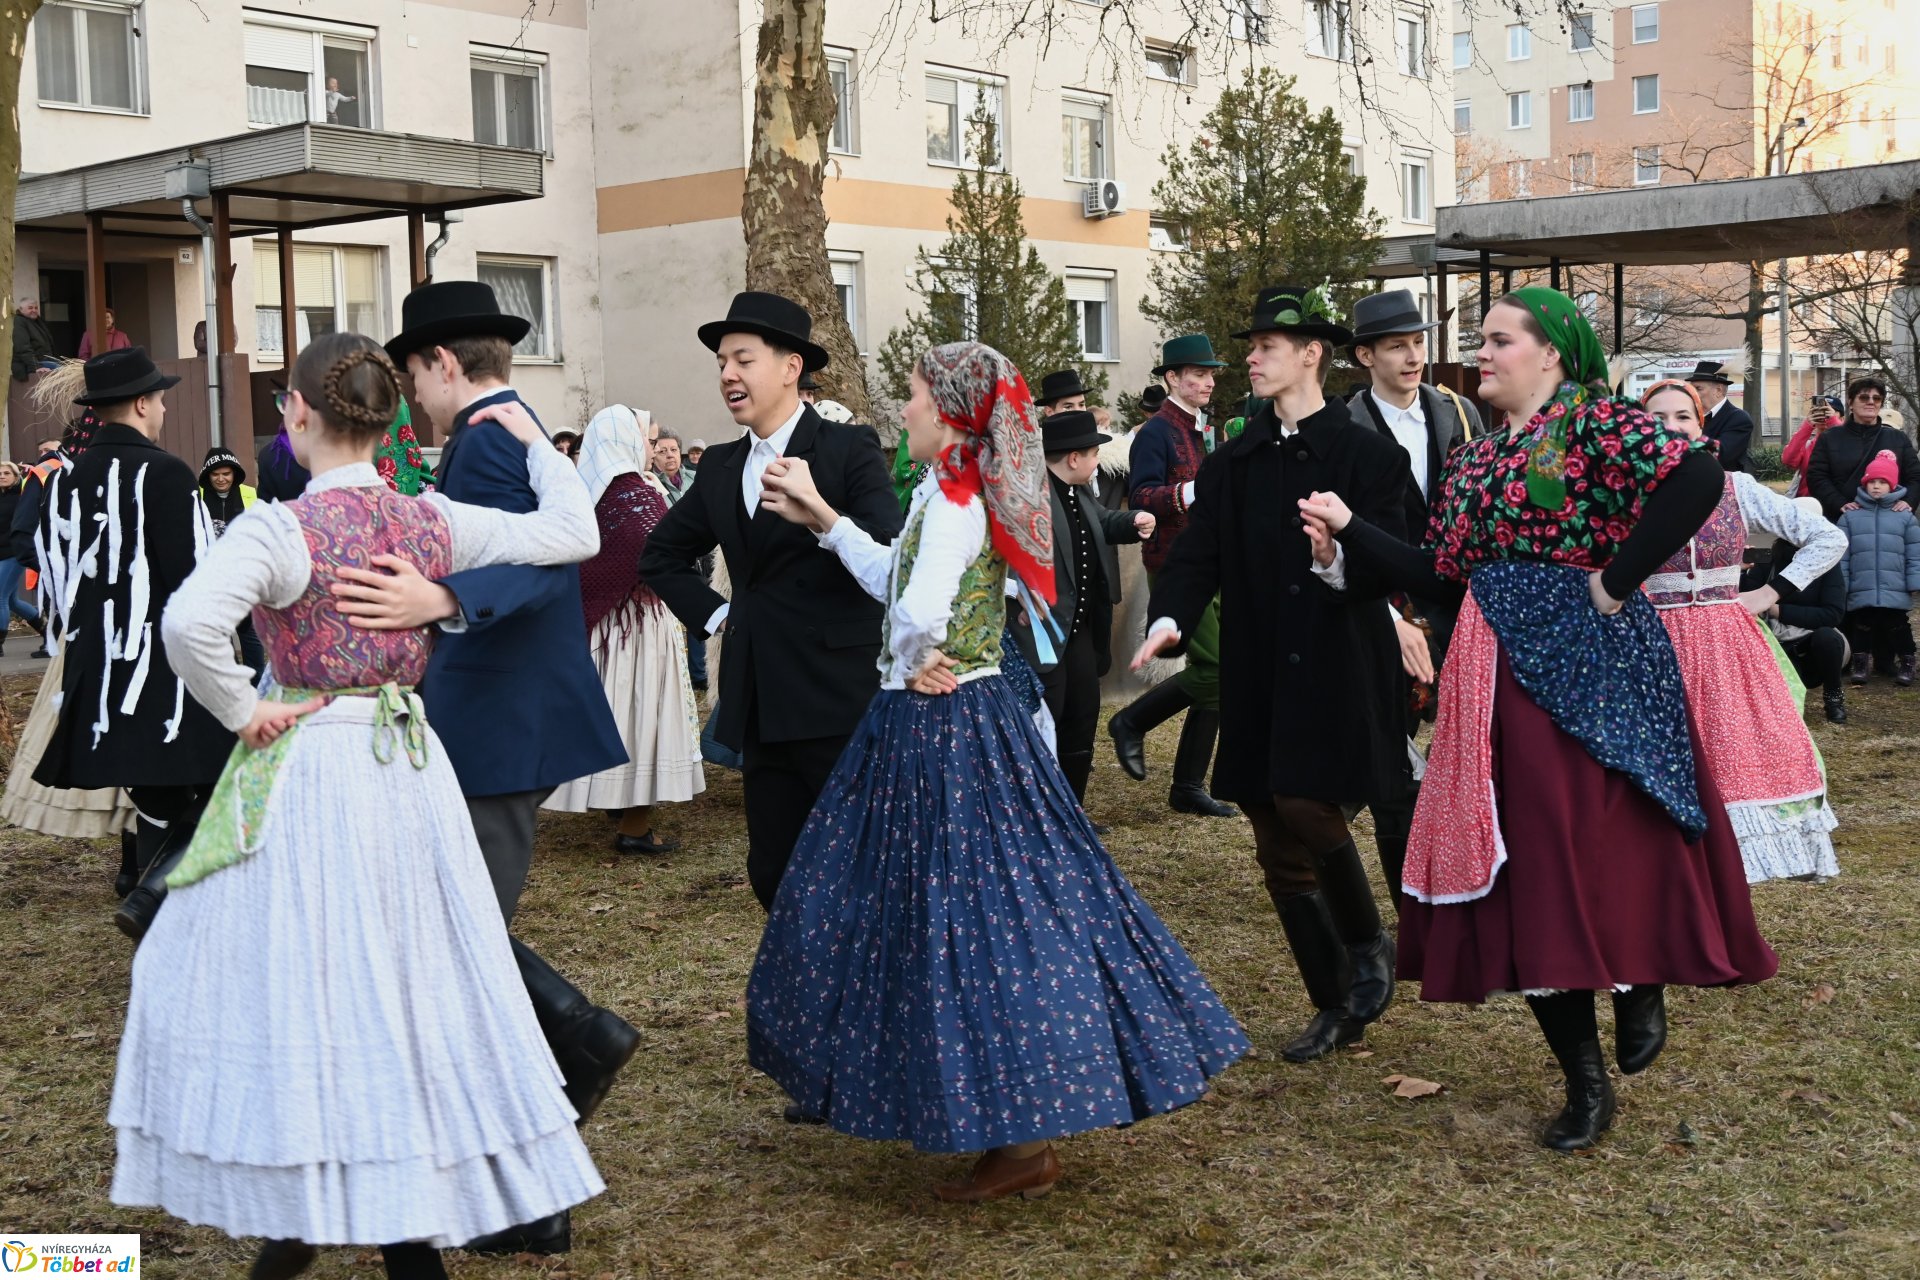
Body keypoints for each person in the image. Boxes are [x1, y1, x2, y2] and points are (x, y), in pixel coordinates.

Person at [112, 332, 604, 1280]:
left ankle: (322, 1201)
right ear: (386, 421)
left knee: (318, 978)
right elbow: (572, 532)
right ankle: (377, 1215)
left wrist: (245, 710)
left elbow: (188, 623)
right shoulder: (431, 521)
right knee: (405, 976)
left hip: (315, 764)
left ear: (296, 413)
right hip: (407, 767)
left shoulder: (278, 529)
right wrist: (533, 440)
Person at [747, 339, 1248, 1202]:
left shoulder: (954, 496)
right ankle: (1008, 1122)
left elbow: (919, 606)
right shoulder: (946, 489)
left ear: (949, 413)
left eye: (914, 395)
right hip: (956, 720)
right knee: (967, 910)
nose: (905, 408)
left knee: (969, 916)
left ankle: (1019, 1135)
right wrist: (824, 518)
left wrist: (916, 655)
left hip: (946, 729)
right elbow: (895, 578)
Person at [1296, 288, 1776, 1151]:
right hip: (1496, 675)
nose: (1479, 353)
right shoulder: (1474, 459)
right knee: (1530, 869)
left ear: (1551, 352)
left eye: (1497, 339)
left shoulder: (1593, 424)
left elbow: (1698, 478)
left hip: (1597, 665)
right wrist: (1349, 528)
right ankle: (1583, 1081)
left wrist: (1617, 580)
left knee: (1613, 837)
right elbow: (1442, 575)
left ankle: (1640, 979)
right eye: (1479, 340)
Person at [348, 280, 633, 1258]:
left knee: (458, 952)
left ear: (441, 363)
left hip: (495, 726)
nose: (411, 400)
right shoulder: (509, 429)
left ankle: (576, 1053)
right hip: (500, 721)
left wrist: (443, 598)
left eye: (411, 378)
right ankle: (534, 1172)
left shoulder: (486, 437)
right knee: (458, 945)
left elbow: (535, 565)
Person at [1134, 287, 1408, 1064]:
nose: (1250, 360)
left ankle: (1370, 945)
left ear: (1311, 353)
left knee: (1306, 804)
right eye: (1250, 347)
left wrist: (1340, 559)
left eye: (1266, 347)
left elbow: (1396, 557)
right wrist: (1168, 618)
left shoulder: (1368, 457)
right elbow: (1197, 556)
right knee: (1271, 832)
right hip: (1258, 668)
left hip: (1337, 664)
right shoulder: (1234, 462)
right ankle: (1333, 1003)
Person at [638, 291, 902, 914]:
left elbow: (890, 557)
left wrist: (823, 515)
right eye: (721, 363)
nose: (728, 374)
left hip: (840, 698)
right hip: (761, 700)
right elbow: (660, 556)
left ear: (790, 367)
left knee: (863, 868)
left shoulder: (848, 448)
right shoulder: (721, 465)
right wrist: (719, 616)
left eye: (743, 360)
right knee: (773, 872)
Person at [31, 348, 235, 940]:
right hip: (167, 670)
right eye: (162, 400)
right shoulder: (167, 474)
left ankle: (157, 916)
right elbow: (196, 579)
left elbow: (54, 575)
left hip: (98, 672)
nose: (164, 409)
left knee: (154, 797)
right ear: (143, 404)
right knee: (225, 779)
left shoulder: (67, 479)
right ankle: (162, 913)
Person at [1640, 379, 1845, 883]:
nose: (1671, 426)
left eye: (1683, 416)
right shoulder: (1622, 494)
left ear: (1701, 424)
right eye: (1658, 418)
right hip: (1651, 643)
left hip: (1724, 642)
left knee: (1734, 750)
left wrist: (1770, 593)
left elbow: (1827, 537)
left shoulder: (1735, 487)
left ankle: (1731, 871)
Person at [1345, 288, 1484, 906]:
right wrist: (1382, 611)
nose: (1412, 357)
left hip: (1458, 598)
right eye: (1396, 346)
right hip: (1384, 599)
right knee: (1390, 752)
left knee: (1468, 741)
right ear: (1365, 356)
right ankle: (1406, 898)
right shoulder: (1343, 425)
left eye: (1417, 344)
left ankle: (1466, 876)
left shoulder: (1457, 412)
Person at [544, 405, 704, 851]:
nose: (651, 450)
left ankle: (613, 798)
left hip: (602, 631)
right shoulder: (637, 494)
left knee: (610, 714)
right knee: (640, 717)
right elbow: (659, 556)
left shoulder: (584, 495)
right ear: (626, 441)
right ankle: (634, 825)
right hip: (639, 630)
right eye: (647, 441)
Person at [0, 376, 138, 857]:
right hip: (84, 624)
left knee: (131, 731)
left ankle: (133, 850)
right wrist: (68, 576)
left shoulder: (137, 471)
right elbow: (26, 538)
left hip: (134, 628)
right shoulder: (50, 476)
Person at [1108, 333, 1237, 819]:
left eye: (1210, 374)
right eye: (1199, 374)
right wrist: (1192, 491)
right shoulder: (1156, 432)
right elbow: (1142, 496)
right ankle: (1131, 721)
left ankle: (1187, 785)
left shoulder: (1198, 428)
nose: (1209, 382)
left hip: (1208, 561)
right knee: (1217, 669)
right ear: (1172, 378)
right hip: (1173, 565)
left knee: (1220, 668)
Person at [1037, 409, 1154, 805]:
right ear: (1073, 458)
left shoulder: (1079, 489)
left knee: (1084, 716)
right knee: (1048, 722)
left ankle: (1073, 812)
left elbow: (1101, 521)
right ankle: (1045, 816)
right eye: (1093, 453)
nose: (1098, 460)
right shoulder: (1033, 497)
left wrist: (1133, 520)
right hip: (1044, 634)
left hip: (1081, 630)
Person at [1763, 497, 1852, 724]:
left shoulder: (1827, 563)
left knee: (1827, 636)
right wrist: (1740, 569)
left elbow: (1832, 614)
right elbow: (1744, 600)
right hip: (1776, 642)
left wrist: (1778, 610)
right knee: (1789, 712)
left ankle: (1833, 696)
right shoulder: (1769, 558)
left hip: (1813, 643)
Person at [1837, 449, 1920, 687]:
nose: (1876, 486)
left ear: (1892, 485)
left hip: (1895, 583)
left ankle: (1907, 662)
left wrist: (1914, 581)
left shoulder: (1905, 516)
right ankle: (1860, 664)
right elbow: (1842, 555)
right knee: (1861, 625)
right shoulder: (1850, 517)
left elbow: (1914, 552)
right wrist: (1843, 583)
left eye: (1882, 482)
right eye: (1872, 481)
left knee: (1898, 625)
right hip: (1862, 583)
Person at [1807, 376, 1920, 520]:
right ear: (1850, 403)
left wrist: (1908, 501)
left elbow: (1915, 477)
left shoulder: (1898, 438)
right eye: (1864, 397)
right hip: (1842, 519)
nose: (1871, 402)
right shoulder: (1829, 438)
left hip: (1889, 520)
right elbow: (1816, 477)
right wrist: (1840, 504)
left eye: (1877, 399)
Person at [198, 446, 266, 674]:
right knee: (221, 645)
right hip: (211, 585)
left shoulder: (251, 495)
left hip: (245, 583)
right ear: (208, 475)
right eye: (215, 474)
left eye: (226, 474)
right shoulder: (197, 497)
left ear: (234, 473)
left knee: (252, 643)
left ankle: (256, 689)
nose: (221, 479)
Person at [0, 462, 44, 648]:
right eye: (0, 473)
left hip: (14, 553)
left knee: (0, 597)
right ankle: (47, 629)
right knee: (13, 602)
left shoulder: (21, 497)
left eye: (6, 473)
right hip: (1, 553)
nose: (2, 476)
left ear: (16, 476)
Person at [1685, 360, 1753, 474]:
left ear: (1718, 390)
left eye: (1698, 388)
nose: (1692, 393)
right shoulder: (1690, 415)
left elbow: (1722, 455)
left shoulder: (1739, 419)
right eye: (1691, 389)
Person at [1782, 393, 1844, 497]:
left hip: (1836, 502)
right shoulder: (1808, 445)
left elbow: (1848, 448)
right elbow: (1788, 460)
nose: (1824, 414)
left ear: (1842, 419)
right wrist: (1807, 426)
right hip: (1807, 502)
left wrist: (1833, 421)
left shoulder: (1847, 442)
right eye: (1820, 411)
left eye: (1828, 411)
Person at [11, 298, 57, 380]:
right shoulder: (19, 321)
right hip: (29, 366)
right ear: (21, 309)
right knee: (63, 371)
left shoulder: (38, 321)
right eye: (30, 308)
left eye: (36, 308)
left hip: (44, 361)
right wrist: (36, 367)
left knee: (68, 369)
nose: (34, 310)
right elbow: (23, 347)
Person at [653, 429, 695, 504]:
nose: (670, 455)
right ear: (653, 456)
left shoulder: (696, 477)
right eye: (662, 451)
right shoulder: (650, 485)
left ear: (679, 453)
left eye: (673, 450)